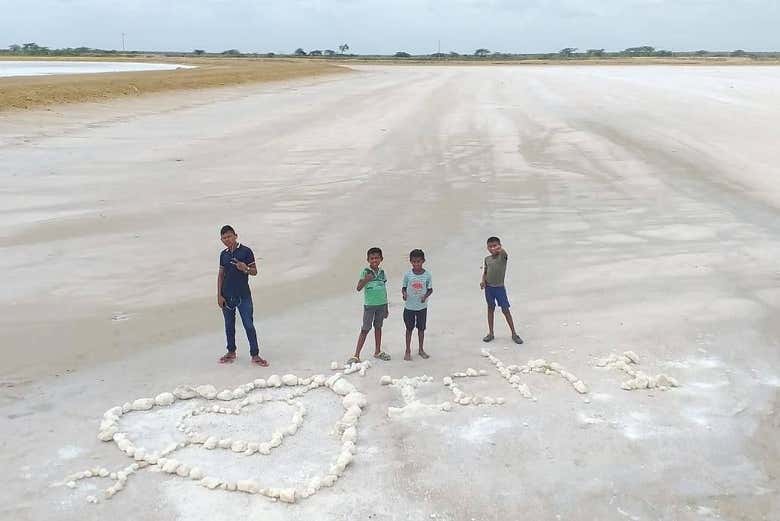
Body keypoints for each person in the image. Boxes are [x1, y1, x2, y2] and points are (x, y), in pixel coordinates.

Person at [216, 225, 269, 366]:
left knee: (249, 325)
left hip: (243, 296)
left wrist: (244, 268)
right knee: (229, 325)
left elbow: (254, 271)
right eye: (224, 238)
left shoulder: (246, 251)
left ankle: (255, 354)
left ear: (235, 235)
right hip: (226, 296)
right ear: (221, 240)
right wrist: (219, 295)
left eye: (229, 236)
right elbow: (221, 275)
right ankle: (231, 352)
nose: (227, 240)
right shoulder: (223, 254)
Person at [348, 247, 391, 364]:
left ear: (381, 259)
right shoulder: (365, 272)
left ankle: (378, 351)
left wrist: (386, 307)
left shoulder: (382, 273)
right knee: (365, 329)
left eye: (377, 258)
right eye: (372, 258)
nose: (374, 260)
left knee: (378, 327)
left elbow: (384, 289)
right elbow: (358, 288)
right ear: (368, 259)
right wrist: (366, 279)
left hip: (381, 305)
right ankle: (356, 355)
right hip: (370, 306)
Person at [480, 236, 523, 345]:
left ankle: (514, 333)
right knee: (490, 308)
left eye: (495, 246)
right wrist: (483, 281)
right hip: (489, 288)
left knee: (505, 310)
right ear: (487, 248)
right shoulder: (487, 259)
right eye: (490, 247)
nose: (493, 248)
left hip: (499, 288)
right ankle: (491, 333)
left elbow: (504, 253)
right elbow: (485, 271)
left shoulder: (502, 257)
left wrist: (500, 249)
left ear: (499, 246)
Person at [402, 249, 433, 361]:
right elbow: (404, 287)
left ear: (423, 261)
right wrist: (404, 294)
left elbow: (430, 289)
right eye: (414, 262)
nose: (416, 264)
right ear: (411, 261)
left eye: (418, 261)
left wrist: (425, 296)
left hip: (422, 308)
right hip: (409, 307)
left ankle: (421, 349)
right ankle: (407, 350)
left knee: (421, 329)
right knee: (409, 329)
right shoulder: (408, 275)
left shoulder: (427, 275)